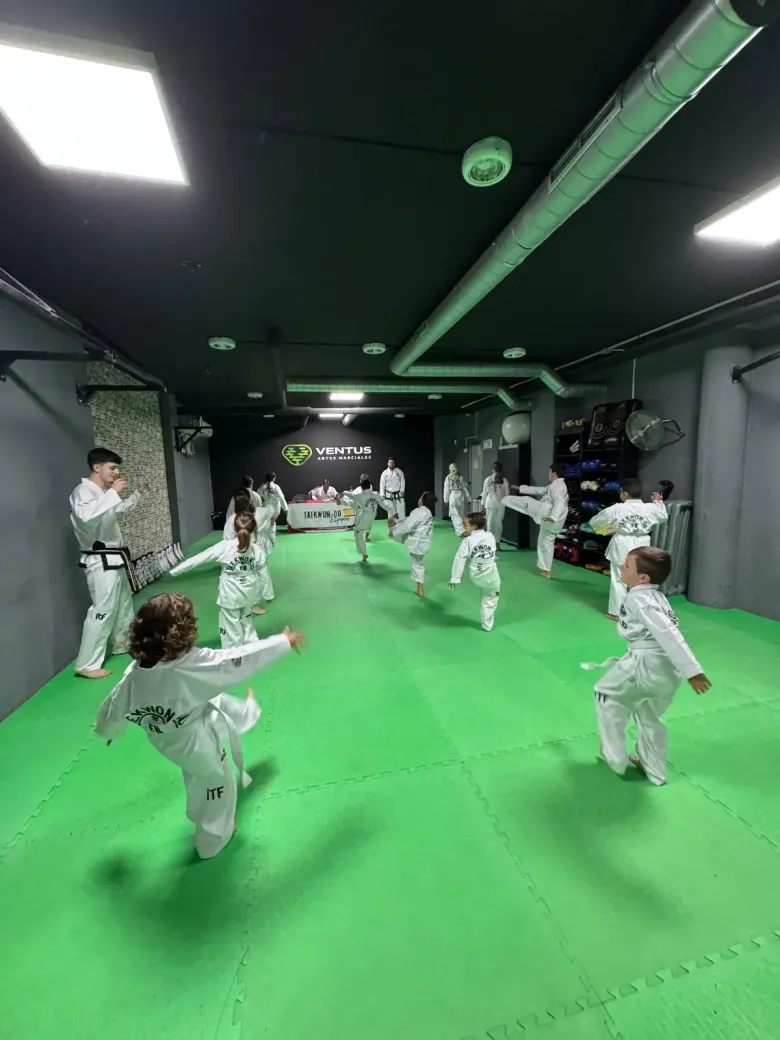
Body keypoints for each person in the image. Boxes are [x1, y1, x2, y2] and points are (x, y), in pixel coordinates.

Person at [95, 592, 305, 858]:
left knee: (215, 706)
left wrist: (109, 729)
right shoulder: (191, 665)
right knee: (216, 781)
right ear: (181, 632)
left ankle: (247, 714)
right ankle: (213, 839)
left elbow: (115, 705)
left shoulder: (135, 672)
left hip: (168, 733)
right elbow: (237, 660)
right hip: (192, 741)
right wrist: (282, 642)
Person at [582, 546, 710, 786]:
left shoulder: (638, 598)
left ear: (643, 577)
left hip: (646, 664)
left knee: (606, 695)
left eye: (627, 565)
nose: (621, 567)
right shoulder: (657, 596)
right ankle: (655, 770)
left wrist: (693, 671)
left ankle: (615, 758)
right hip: (666, 672)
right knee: (649, 716)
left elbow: (668, 633)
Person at [70, 447, 150, 679]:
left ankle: (122, 644)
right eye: (112, 468)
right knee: (102, 609)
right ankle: (86, 664)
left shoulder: (101, 493)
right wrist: (112, 493)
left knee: (124, 603)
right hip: (99, 558)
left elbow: (117, 510)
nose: (116, 473)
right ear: (97, 467)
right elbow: (86, 518)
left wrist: (137, 495)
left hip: (114, 556)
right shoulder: (83, 491)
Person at [171, 513, 271, 645]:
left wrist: (176, 570)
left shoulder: (225, 546)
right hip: (250, 591)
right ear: (254, 529)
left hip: (230, 592)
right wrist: (267, 594)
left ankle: (233, 654)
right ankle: (252, 646)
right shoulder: (257, 549)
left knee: (230, 623)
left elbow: (201, 557)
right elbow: (263, 573)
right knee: (246, 617)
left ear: (234, 529)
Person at [590, 480, 668, 620]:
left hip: (623, 543)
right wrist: (658, 502)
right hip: (642, 543)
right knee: (640, 579)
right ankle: (639, 612)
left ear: (625, 494)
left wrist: (611, 528)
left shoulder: (617, 508)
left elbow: (595, 521)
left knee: (619, 579)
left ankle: (616, 612)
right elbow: (663, 516)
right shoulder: (649, 508)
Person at [504, 465, 569, 578]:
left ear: (554, 474)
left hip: (549, 515)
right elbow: (539, 490)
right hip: (549, 518)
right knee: (545, 543)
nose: (548, 475)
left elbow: (560, 503)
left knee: (526, 501)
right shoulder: (555, 485)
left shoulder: (558, 485)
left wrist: (553, 517)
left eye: (549, 472)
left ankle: (503, 499)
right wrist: (520, 488)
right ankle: (546, 570)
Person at [223, 489, 275, 612]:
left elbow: (227, 540)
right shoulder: (259, 512)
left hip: (243, 550)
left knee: (247, 576)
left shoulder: (232, 519)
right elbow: (271, 509)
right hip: (251, 549)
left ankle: (250, 602)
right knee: (256, 575)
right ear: (250, 500)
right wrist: (266, 502)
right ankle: (254, 603)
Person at [449, 512, 500, 631]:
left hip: (475, 574)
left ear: (474, 526)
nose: (464, 527)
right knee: (490, 598)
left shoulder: (467, 541)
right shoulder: (490, 536)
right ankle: (487, 625)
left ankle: (487, 624)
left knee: (466, 559)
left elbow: (459, 559)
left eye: (466, 525)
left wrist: (455, 578)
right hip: (490, 575)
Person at [389, 491, 436, 597]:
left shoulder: (418, 511)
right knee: (417, 563)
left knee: (417, 564)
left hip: (417, 542)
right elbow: (409, 521)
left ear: (422, 500)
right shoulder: (427, 512)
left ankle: (420, 590)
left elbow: (408, 526)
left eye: (421, 496)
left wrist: (394, 531)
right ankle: (420, 589)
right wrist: (397, 523)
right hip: (424, 542)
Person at [340, 480, 390, 561]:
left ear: (362, 487)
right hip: (370, 514)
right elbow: (351, 497)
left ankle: (364, 553)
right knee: (359, 532)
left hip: (365, 515)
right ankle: (364, 552)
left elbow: (352, 495)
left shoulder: (361, 495)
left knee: (359, 533)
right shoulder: (374, 493)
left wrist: (344, 493)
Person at [480, 462, 510, 549]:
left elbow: (507, 495)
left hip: (496, 503)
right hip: (495, 503)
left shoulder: (501, 481)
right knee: (494, 523)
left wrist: (483, 506)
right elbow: (485, 493)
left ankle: (494, 544)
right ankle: (493, 544)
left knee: (494, 524)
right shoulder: (492, 480)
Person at [443, 463, 470, 536]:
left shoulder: (448, 478)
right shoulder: (460, 477)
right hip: (460, 496)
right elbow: (464, 488)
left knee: (455, 514)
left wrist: (446, 500)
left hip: (453, 496)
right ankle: (460, 530)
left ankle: (460, 530)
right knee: (460, 514)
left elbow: (446, 490)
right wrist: (468, 498)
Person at [380, 458, 406, 529]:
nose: (391, 464)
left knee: (401, 509)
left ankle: (401, 525)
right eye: (390, 462)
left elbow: (402, 481)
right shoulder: (384, 473)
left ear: (394, 463)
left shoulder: (399, 471)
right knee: (391, 510)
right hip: (389, 495)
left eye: (392, 462)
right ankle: (392, 526)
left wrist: (402, 490)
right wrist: (382, 494)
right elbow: (382, 484)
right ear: (387, 463)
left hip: (399, 494)